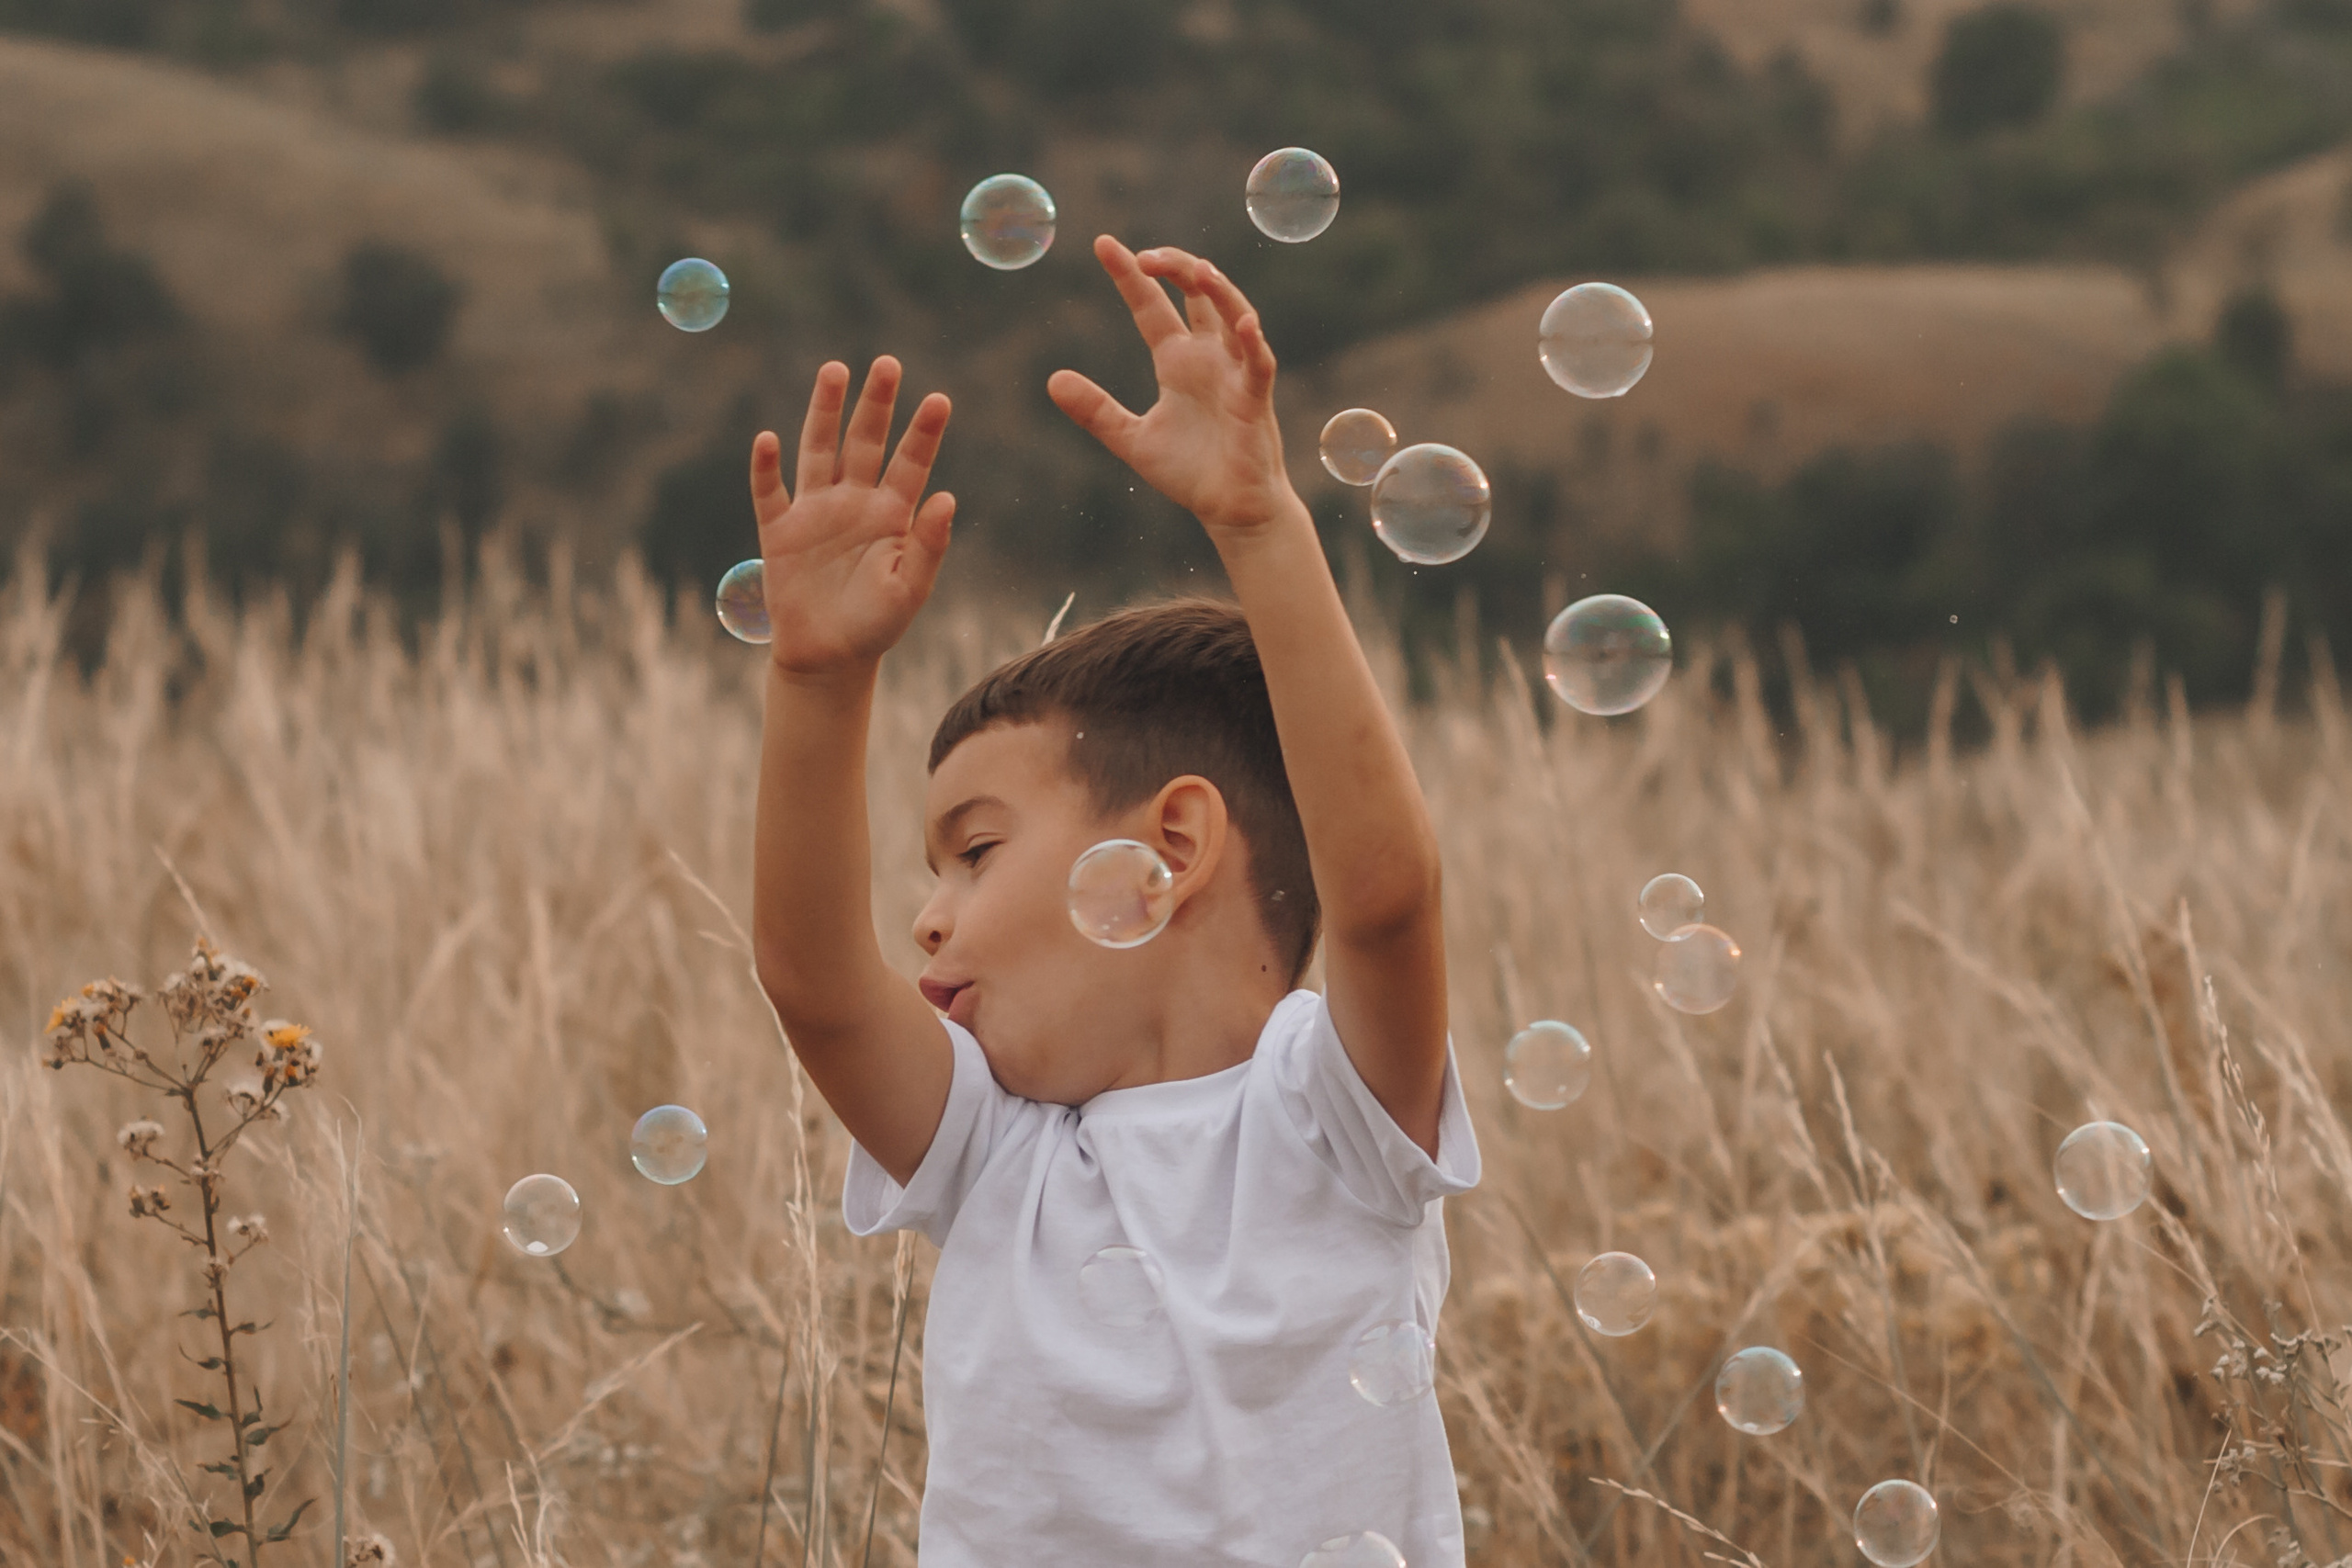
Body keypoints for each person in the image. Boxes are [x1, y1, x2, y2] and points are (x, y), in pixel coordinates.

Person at [747, 233, 1479, 1567]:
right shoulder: (994, 1152)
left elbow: (1383, 897)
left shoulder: (1331, 1118)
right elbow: (813, 978)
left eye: (976, 852)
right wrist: (818, 679)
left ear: (1170, 850)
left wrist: (1258, 523)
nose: (928, 919)